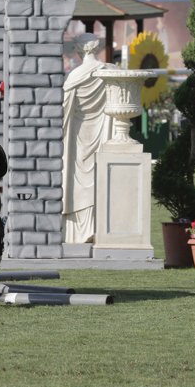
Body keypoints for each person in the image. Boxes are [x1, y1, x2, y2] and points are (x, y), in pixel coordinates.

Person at [62, 33, 114, 243]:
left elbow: (65, 109)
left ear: (79, 49)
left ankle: (80, 231)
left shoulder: (75, 76)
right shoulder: (109, 71)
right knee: (97, 176)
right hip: (102, 132)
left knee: (78, 181)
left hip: (77, 134)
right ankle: (96, 227)